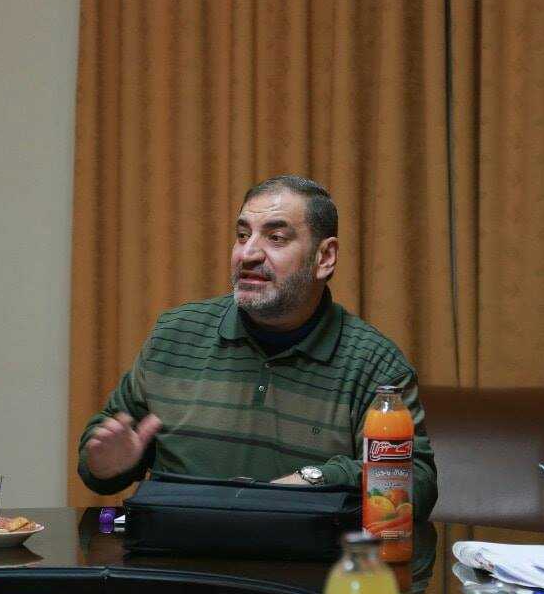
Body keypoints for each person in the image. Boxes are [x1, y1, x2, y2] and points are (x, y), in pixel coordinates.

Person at [77, 175, 438, 522]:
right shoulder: (176, 335)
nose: (247, 254)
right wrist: (106, 463)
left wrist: (316, 479)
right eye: (242, 235)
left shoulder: (375, 364)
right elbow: (103, 451)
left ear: (325, 257)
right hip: (177, 555)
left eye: (276, 238)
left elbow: (415, 485)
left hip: (300, 559)